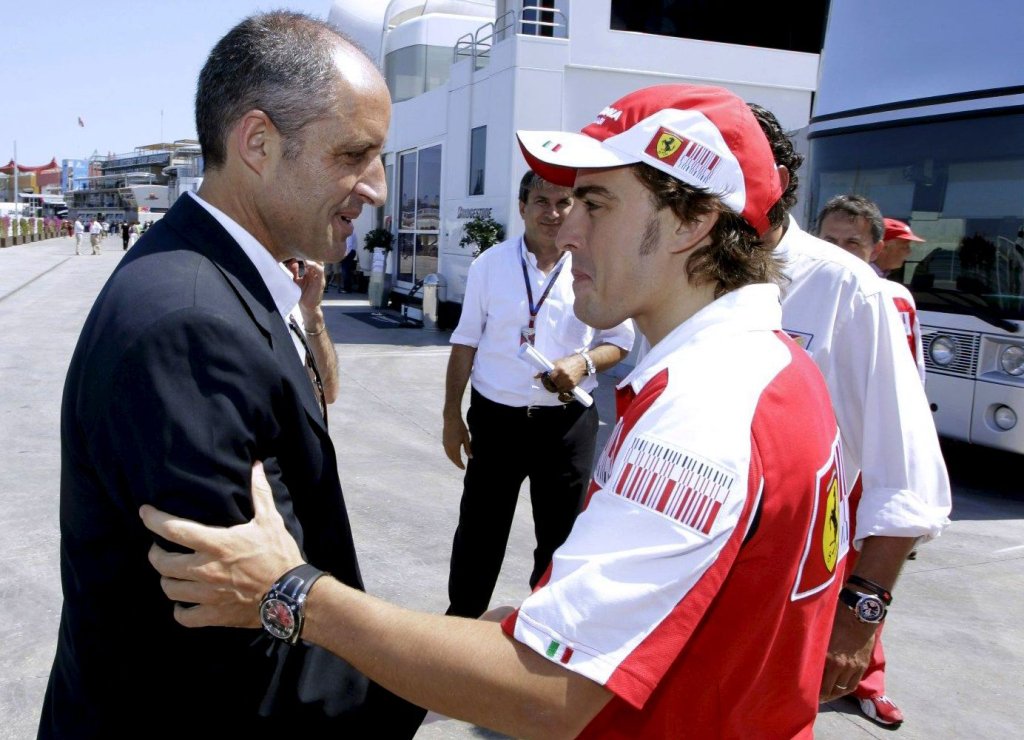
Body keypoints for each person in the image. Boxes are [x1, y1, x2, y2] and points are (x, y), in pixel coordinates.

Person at [141, 84, 850, 739]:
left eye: (597, 204)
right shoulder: (779, 370)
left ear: (694, 220)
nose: (569, 230)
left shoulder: (702, 416)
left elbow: (546, 691)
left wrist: (292, 593)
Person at [38, 12, 422, 738]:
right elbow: (240, 648)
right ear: (257, 144)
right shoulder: (192, 325)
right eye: (354, 154)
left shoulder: (224, 279)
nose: (375, 187)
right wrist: (438, 675)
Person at [748, 104, 950, 728]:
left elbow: (906, 469)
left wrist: (861, 612)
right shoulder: (683, 273)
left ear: (774, 177)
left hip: (798, 566)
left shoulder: (853, 289)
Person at [443, 170, 634, 618]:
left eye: (563, 203)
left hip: (566, 426)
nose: (552, 213)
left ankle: (544, 626)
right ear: (522, 206)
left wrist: (583, 363)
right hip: (497, 420)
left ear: (576, 208)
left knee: (561, 534)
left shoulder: (594, 266)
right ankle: (462, 623)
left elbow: (619, 340)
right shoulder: (489, 264)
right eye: (541, 202)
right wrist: (453, 415)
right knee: (480, 530)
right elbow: (466, 340)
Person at [818, 197, 926, 384]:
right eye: (830, 241)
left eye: (852, 242)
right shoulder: (788, 290)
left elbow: (906, 379)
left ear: (877, 249)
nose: (838, 251)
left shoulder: (895, 299)